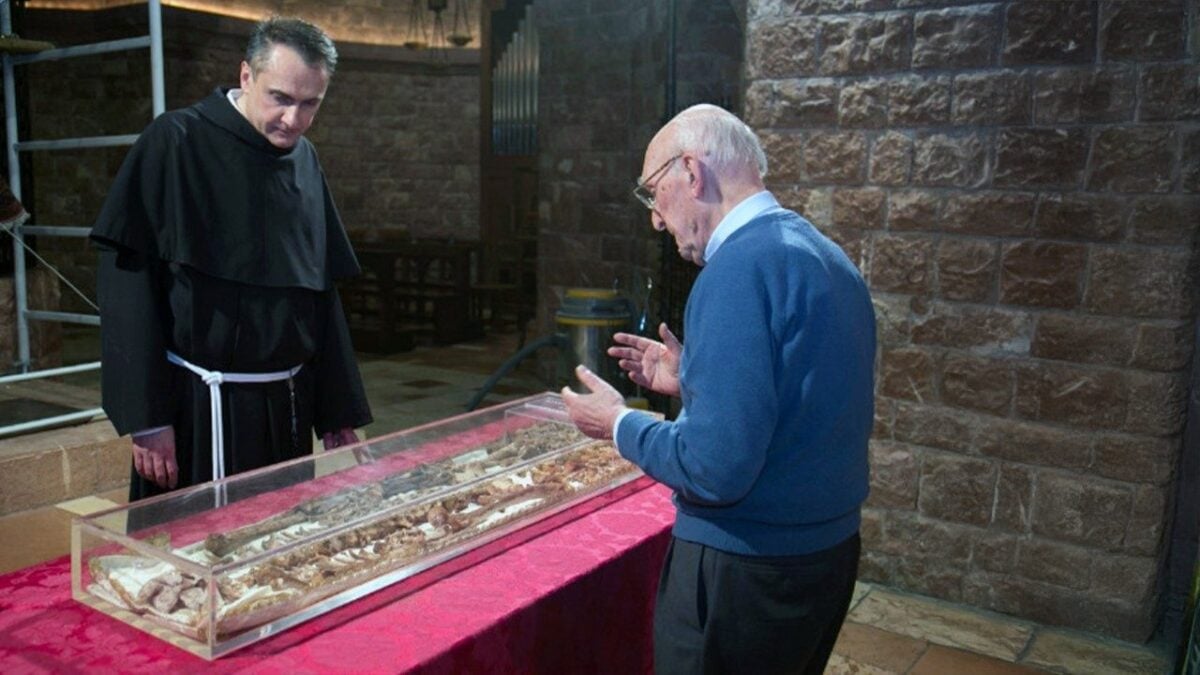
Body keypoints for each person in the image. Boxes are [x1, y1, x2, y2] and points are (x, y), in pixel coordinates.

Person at [560, 104, 876, 675]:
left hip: (747, 564)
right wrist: (695, 381)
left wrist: (619, 423)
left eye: (653, 191)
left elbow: (715, 469)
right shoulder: (826, 257)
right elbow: (803, 398)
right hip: (823, 555)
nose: (656, 218)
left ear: (692, 171)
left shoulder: (736, 269)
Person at [91, 16, 372, 504]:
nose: (293, 120)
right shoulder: (175, 141)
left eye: (310, 105)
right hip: (199, 409)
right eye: (280, 98)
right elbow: (127, 285)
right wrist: (147, 417)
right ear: (246, 76)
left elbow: (319, 295)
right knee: (190, 562)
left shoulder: (305, 161)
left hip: (285, 407)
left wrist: (336, 411)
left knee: (277, 557)